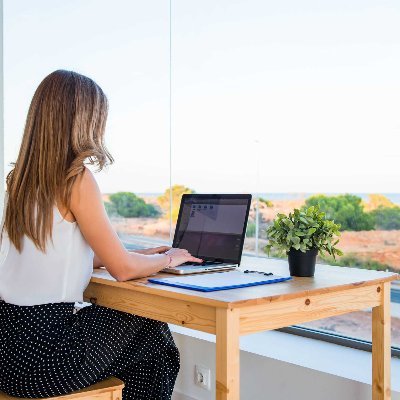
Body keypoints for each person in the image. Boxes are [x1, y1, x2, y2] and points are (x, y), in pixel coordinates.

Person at [0, 70, 202, 399]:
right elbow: (122, 270)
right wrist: (170, 257)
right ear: (84, 120)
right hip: (44, 359)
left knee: (144, 344)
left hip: (8, 351)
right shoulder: (76, 180)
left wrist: (141, 258)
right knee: (151, 329)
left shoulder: (17, 180)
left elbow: (52, 255)